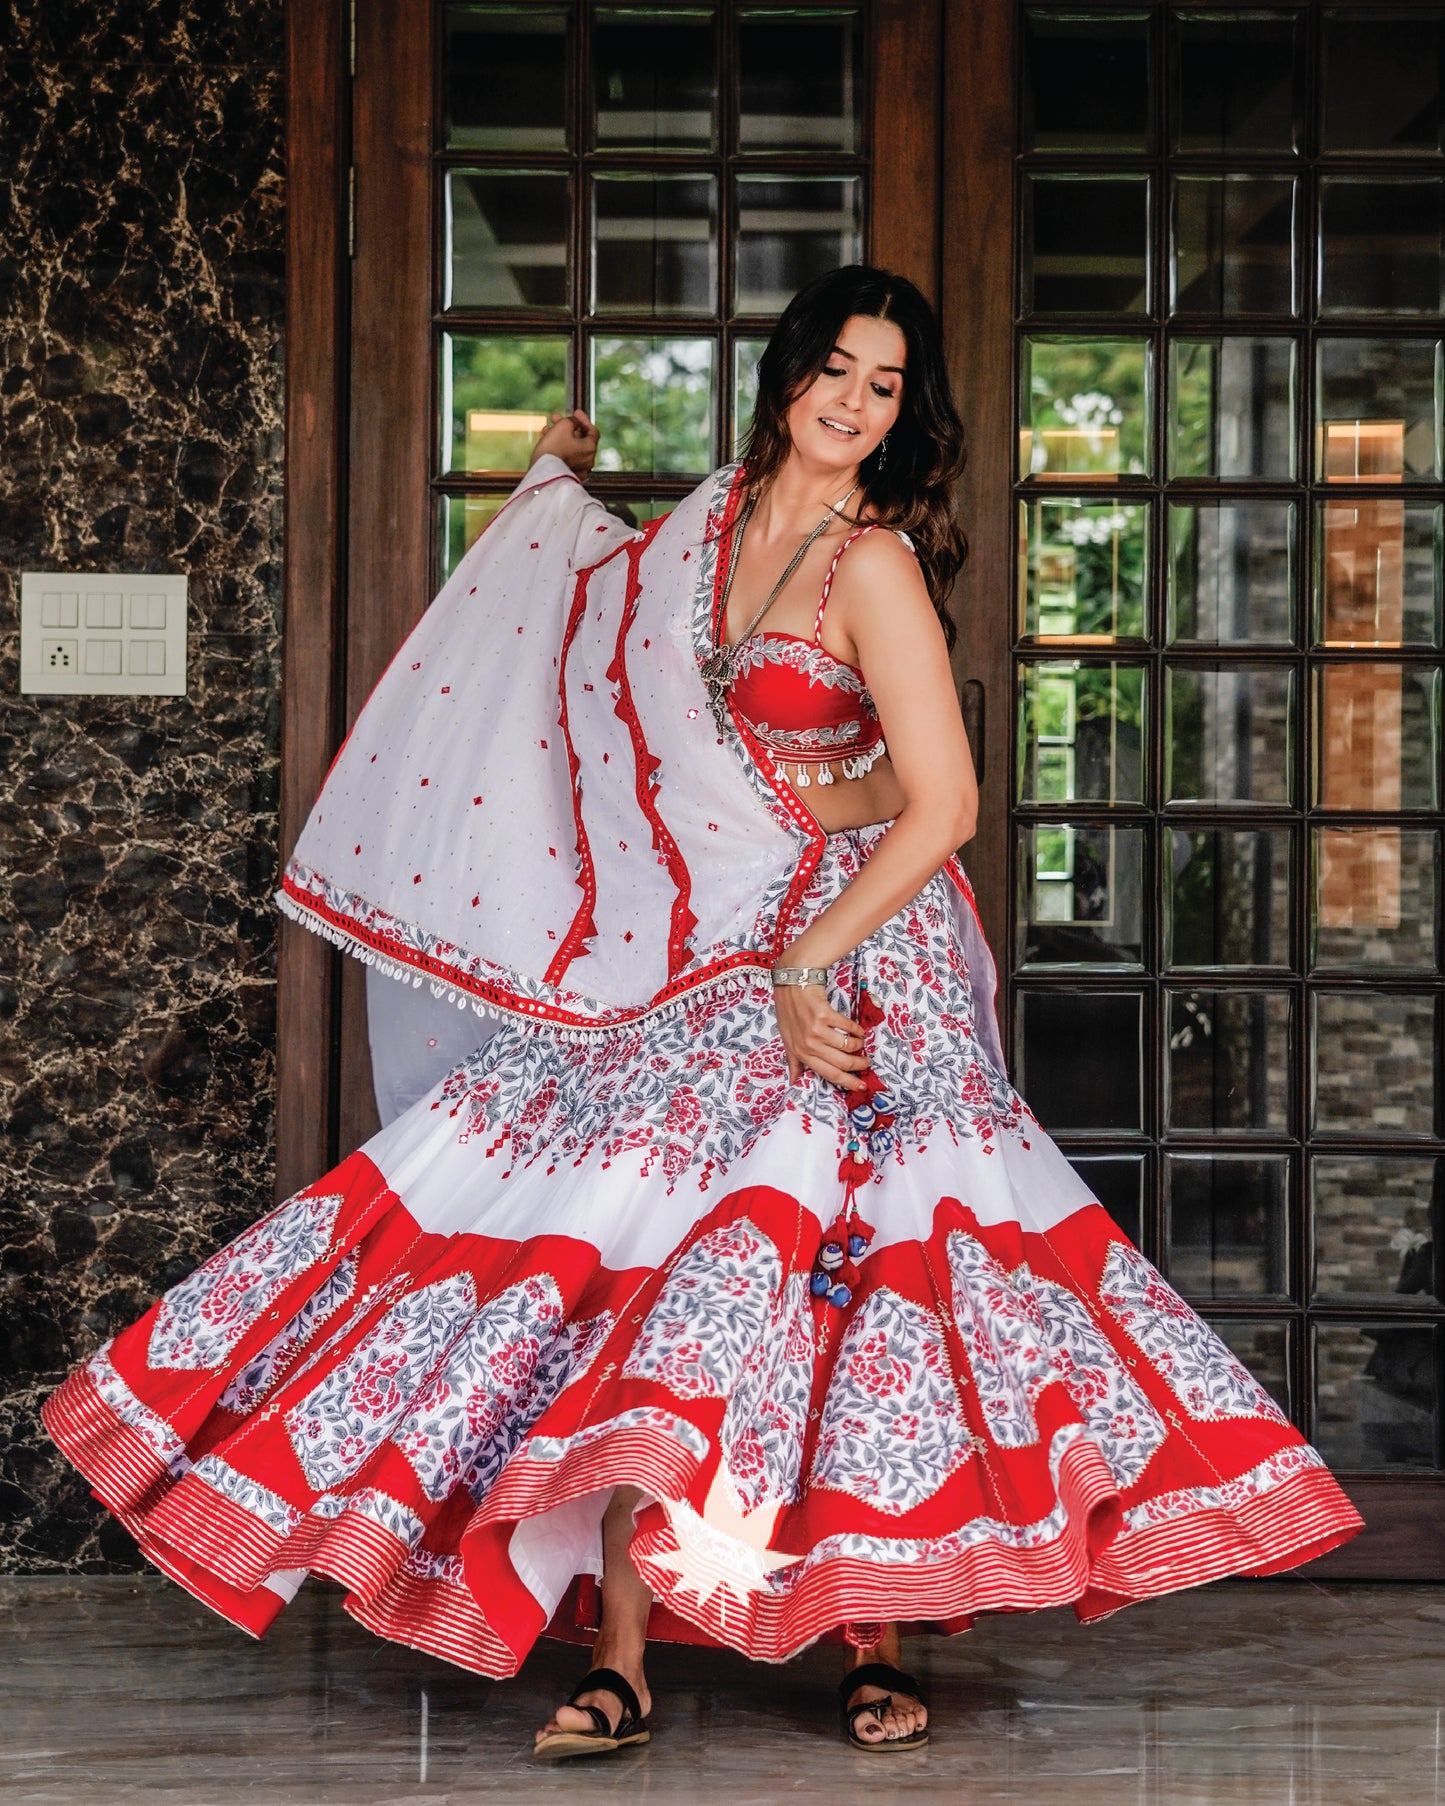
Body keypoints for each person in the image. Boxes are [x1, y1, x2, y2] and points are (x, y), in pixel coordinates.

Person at [44, 266, 1362, 1762]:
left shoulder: (872, 566)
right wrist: (553, 478)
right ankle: (616, 1654)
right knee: (636, 1262)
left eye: (883, 385)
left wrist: (811, 958)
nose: (854, 403)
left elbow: (940, 805)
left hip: (855, 951)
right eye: (836, 370)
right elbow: (583, 628)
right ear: (787, 370)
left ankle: (880, 1622)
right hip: (696, 946)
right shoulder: (705, 532)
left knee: (848, 1275)